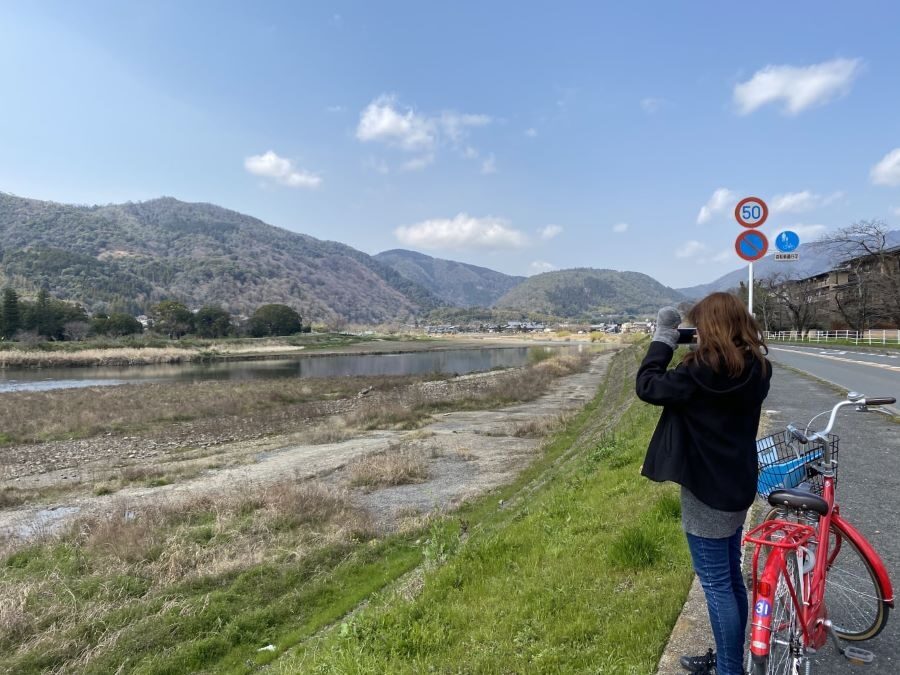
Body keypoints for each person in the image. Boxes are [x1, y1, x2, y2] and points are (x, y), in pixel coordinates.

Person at [635, 293, 772, 675]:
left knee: (716, 586)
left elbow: (647, 386)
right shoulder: (759, 368)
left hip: (704, 490)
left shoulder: (697, 372)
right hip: (738, 483)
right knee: (730, 578)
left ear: (707, 329)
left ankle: (730, 669)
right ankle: (733, 659)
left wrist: (664, 337)